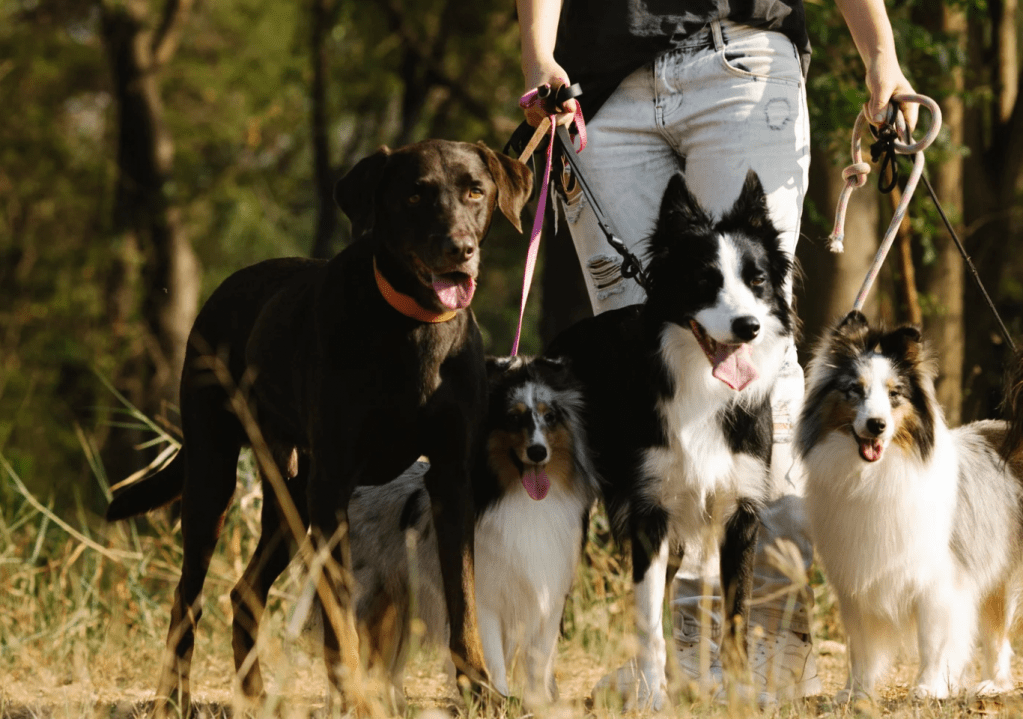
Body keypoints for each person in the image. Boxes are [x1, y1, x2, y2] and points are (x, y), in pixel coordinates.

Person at [517, 0, 918, 705]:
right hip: (598, 88)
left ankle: (770, 643)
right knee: (643, 369)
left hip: (742, 64)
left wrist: (880, 55)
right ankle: (680, 655)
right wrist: (536, 51)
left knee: (759, 356)